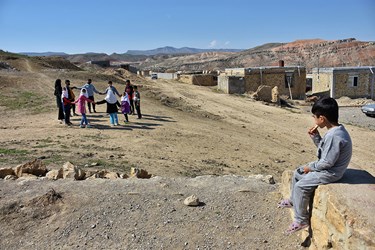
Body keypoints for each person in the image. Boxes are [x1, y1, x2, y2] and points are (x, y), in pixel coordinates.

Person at [278, 97, 352, 234]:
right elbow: (327, 153)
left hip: (331, 172)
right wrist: (316, 138)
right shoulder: (335, 131)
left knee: (301, 186)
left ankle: (301, 220)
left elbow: (327, 162)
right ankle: (295, 201)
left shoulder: (334, 136)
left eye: (315, 117)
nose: (314, 120)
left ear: (322, 119)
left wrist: (310, 168)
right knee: (297, 172)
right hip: (328, 167)